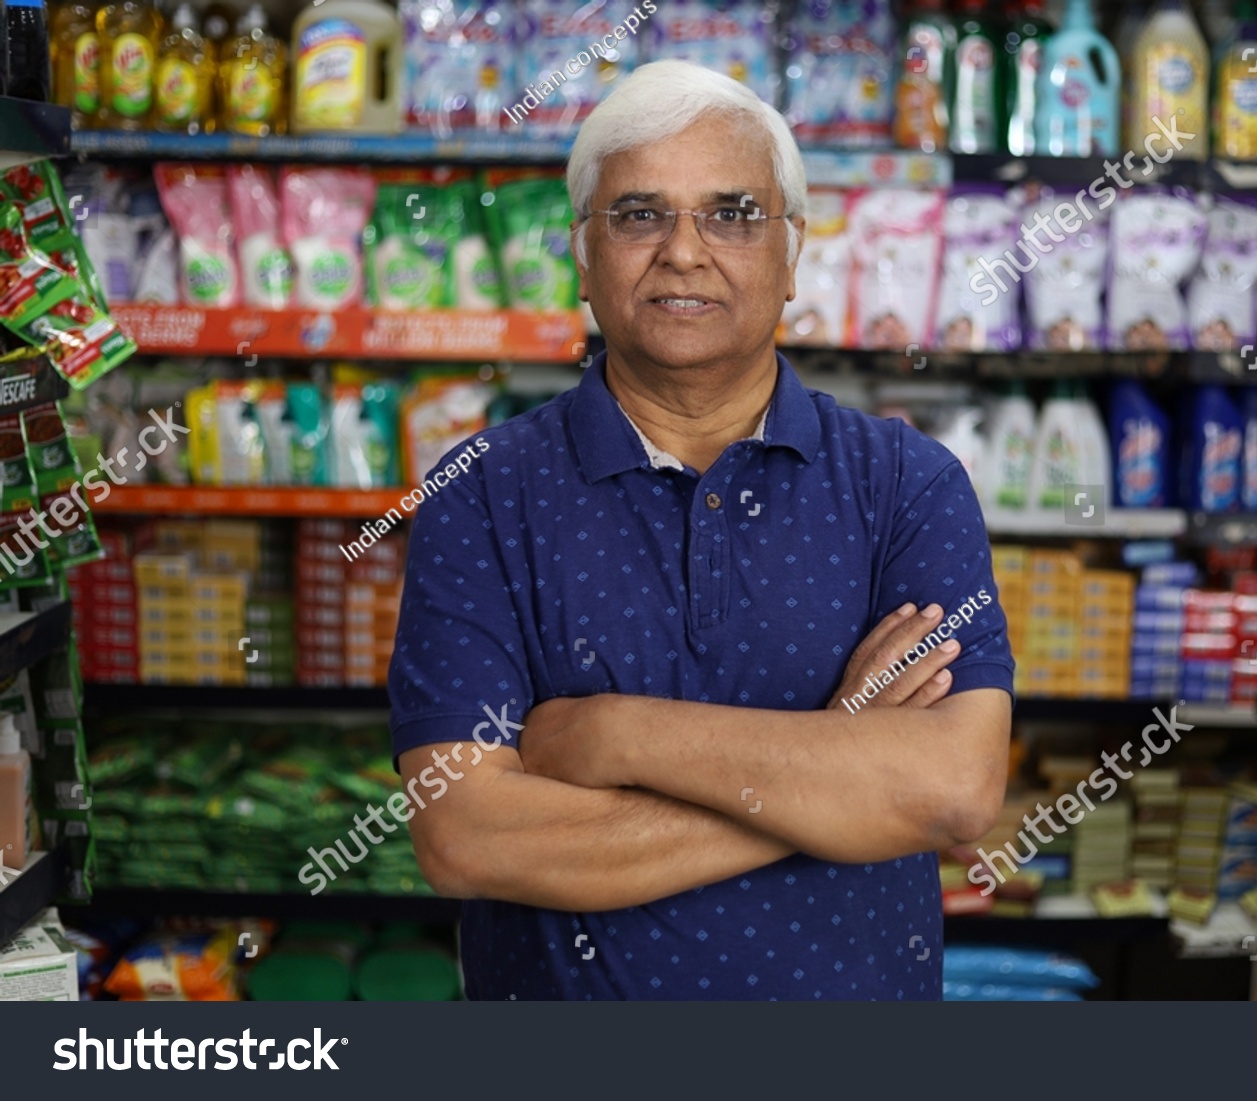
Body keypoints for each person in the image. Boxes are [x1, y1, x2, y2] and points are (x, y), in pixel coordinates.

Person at [389, 59, 1015, 1001]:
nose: (684, 249)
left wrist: (617, 735)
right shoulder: (480, 492)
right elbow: (466, 836)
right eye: (640, 214)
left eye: (732, 213)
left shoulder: (908, 484)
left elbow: (954, 792)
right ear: (582, 253)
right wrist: (837, 762)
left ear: (793, 252)